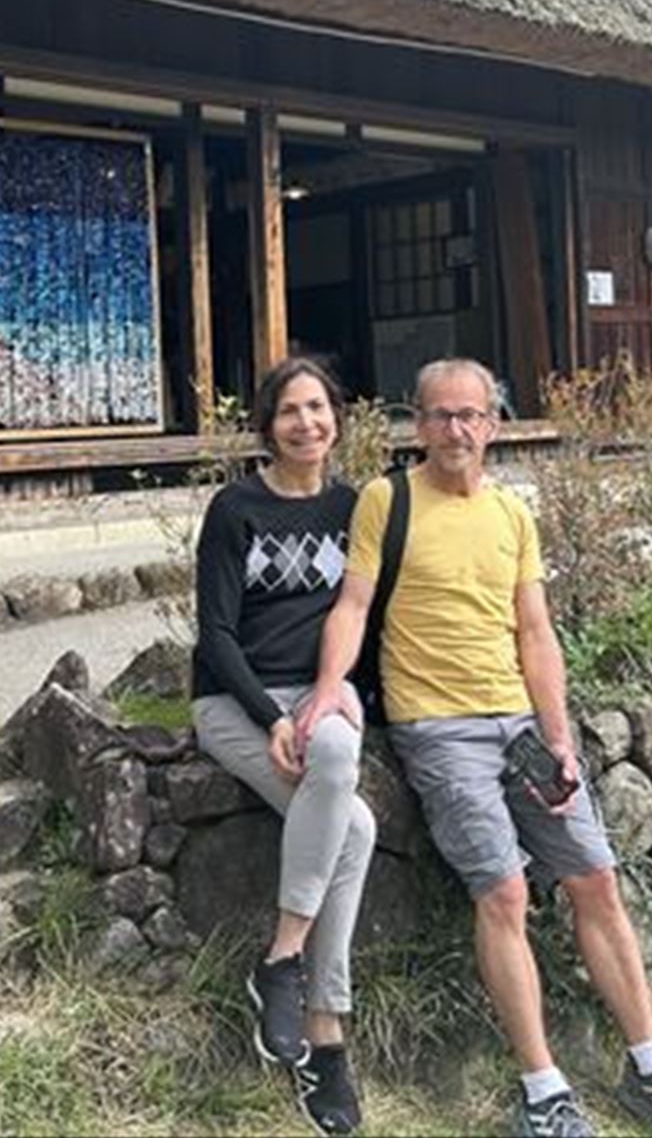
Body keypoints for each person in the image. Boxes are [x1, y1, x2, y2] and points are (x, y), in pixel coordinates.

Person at [296, 358, 652, 1138]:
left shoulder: (512, 516)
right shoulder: (386, 501)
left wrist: (558, 738)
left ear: (494, 423)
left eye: (469, 416)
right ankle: (543, 1092)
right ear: (415, 424)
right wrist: (329, 687)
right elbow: (353, 605)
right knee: (504, 892)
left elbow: (536, 632)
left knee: (595, 877)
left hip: (522, 728)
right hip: (437, 727)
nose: (455, 431)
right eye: (438, 416)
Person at [192, 355, 376, 1137]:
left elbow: (367, 612)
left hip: (325, 690)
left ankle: (285, 965)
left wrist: (332, 697)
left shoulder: (356, 507)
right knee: (356, 826)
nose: (308, 424)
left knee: (335, 756)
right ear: (267, 427)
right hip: (235, 700)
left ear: (339, 416)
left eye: (320, 408)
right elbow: (217, 633)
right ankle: (325, 1031)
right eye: (290, 411)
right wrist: (270, 714)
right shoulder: (235, 509)